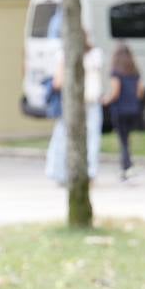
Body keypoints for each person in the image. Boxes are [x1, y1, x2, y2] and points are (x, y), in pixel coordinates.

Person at [45, 34, 103, 184]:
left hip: (72, 101)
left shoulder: (64, 55)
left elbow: (58, 82)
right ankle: (89, 172)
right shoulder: (95, 55)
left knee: (63, 136)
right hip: (92, 100)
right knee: (92, 137)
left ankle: (60, 172)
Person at [103, 42, 144, 181]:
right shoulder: (134, 72)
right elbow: (140, 92)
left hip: (120, 110)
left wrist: (105, 100)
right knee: (127, 139)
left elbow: (115, 92)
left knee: (123, 140)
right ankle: (128, 165)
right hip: (133, 109)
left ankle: (126, 167)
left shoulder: (116, 72)